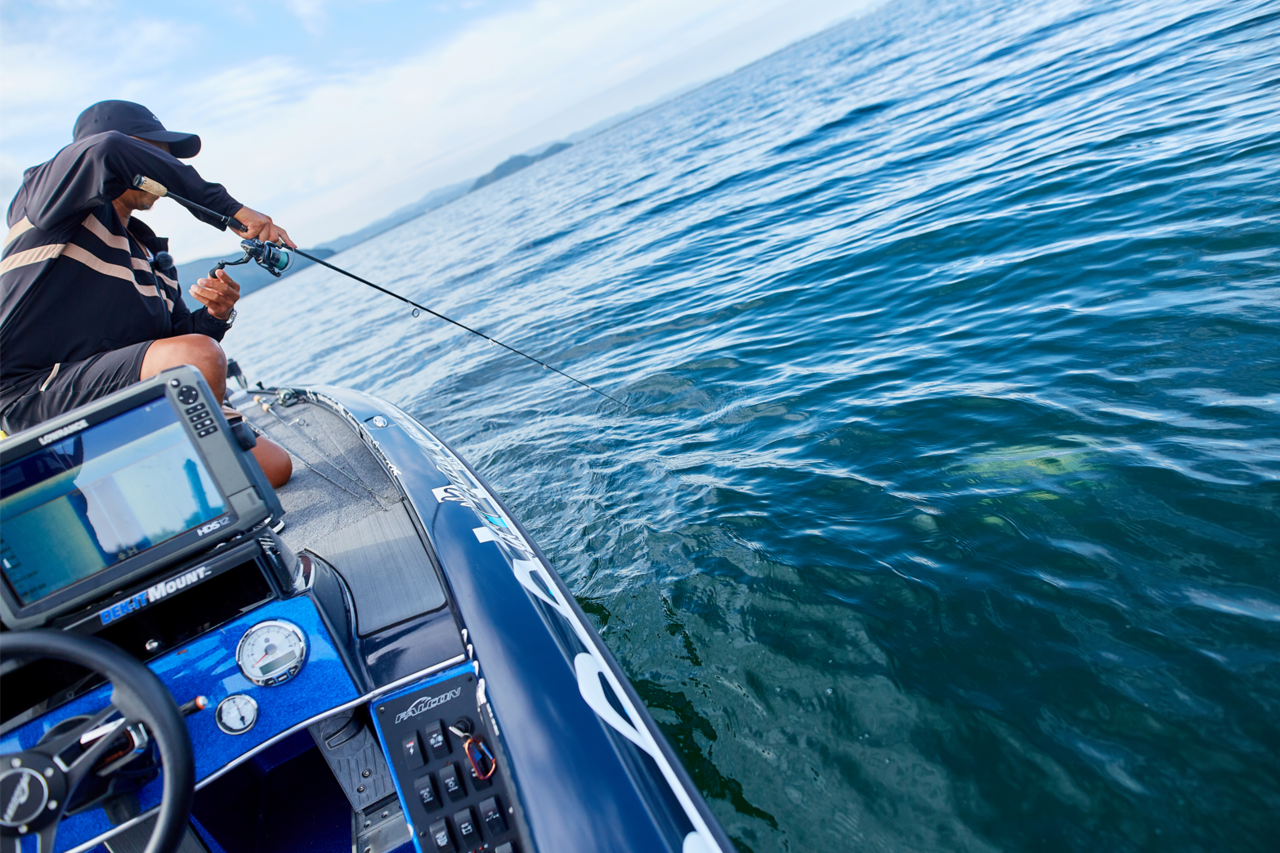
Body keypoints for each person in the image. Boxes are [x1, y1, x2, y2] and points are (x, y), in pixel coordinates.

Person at [0, 100, 292, 487]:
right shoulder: (46, 199)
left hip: (112, 385)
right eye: (156, 151)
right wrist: (229, 210)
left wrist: (214, 316)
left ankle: (170, 470)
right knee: (197, 357)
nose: (165, 162)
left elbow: (172, 340)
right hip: (30, 391)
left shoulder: (152, 254)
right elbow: (106, 149)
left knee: (274, 468)